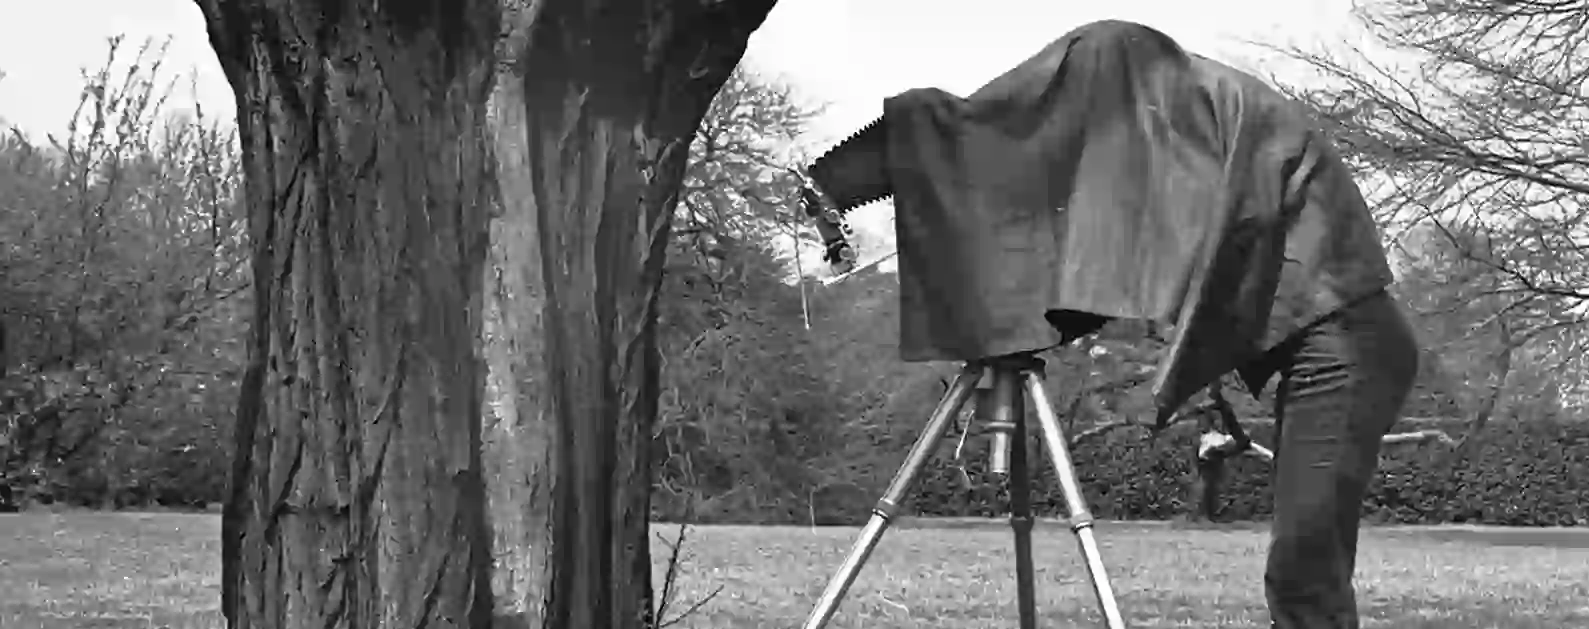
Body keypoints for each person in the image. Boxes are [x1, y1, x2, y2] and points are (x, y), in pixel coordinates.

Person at [808, 19, 1420, 629]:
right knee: (1305, 571)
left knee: (1303, 571)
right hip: (1328, 346)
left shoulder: (1203, 124)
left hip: (1349, 343)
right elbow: (1123, 256)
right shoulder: (1186, 118)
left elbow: (1172, 264)